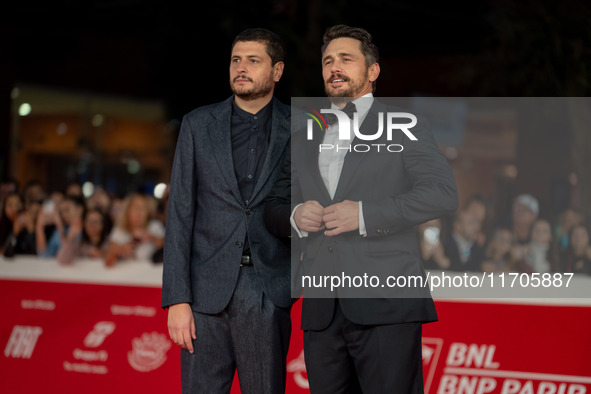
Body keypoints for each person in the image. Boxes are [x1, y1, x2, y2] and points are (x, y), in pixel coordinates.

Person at [265, 25, 458, 393]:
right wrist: (295, 215)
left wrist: (366, 215)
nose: (334, 67)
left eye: (345, 59)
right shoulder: (305, 136)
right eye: (327, 61)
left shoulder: (406, 126)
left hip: (386, 304)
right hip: (322, 309)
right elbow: (273, 205)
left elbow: (442, 194)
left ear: (372, 71)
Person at [162, 28, 292, 393]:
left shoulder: (301, 127)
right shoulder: (198, 124)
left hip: (269, 290)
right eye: (236, 60)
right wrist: (177, 299)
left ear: (277, 71)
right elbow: (180, 214)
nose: (242, 68)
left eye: (254, 60)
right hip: (204, 295)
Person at [104, 193, 164, 267]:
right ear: (127, 211)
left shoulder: (155, 226)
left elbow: (167, 246)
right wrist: (121, 249)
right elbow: (108, 261)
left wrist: (152, 237)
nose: (139, 213)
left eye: (143, 208)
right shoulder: (120, 229)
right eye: (136, 208)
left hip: (150, 274)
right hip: (126, 275)